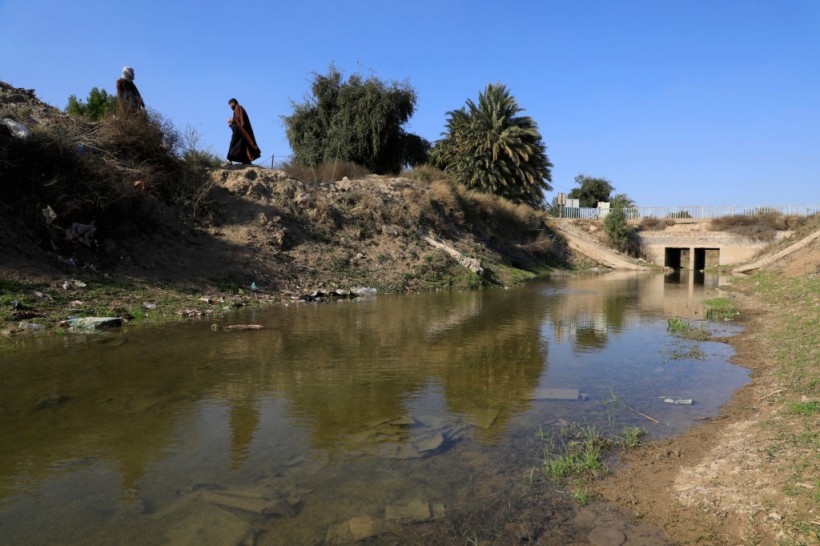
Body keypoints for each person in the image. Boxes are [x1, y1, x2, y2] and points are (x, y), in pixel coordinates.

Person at [225, 98, 261, 166]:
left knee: (233, 144)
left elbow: (240, 122)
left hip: (239, 131)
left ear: (233, 103)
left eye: (231, 104)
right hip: (241, 131)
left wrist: (232, 123)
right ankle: (246, 160)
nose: (230, 106)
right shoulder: (237, 109)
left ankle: (229, 160)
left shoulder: (238, 108)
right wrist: (231, 124)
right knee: (243, 146)